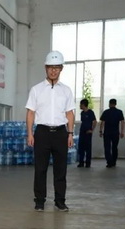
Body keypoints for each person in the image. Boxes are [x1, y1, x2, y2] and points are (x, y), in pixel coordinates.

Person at [26, 50, 76, 212]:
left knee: (61, 170)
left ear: (61, 69)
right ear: (45, 68)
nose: (53, 71)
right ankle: (39, 201)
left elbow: (70, 113)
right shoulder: (36, 89)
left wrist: (70, 134)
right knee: (40, 169)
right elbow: (30, 112)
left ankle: (60, 201)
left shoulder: (66, 90)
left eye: (57, 67)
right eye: (50, 67)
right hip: (42, 133)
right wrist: (30, 133)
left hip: (61, 133)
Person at [99, 99, 125, 168]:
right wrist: (122, 131)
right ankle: (114, 161)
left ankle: (109, 162)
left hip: (107, 133)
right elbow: (122, 122)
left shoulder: (106, 112)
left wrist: (100, 131)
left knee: (107, 147)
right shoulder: (119, 112)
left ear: (109, 104)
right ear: (115, 104)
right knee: (114, 147)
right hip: (115, 132)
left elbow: (102, 122)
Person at [77, 99, 97, 168]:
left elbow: (94, 121)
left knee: (88, 148)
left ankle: (88, 163)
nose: (80, 106)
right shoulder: (82, 113)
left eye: (80, 104)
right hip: (82, 132)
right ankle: (81, 162)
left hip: (88, 133)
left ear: (83, 105)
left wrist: (92, 130)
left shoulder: (90, 112)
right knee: (81, 147)